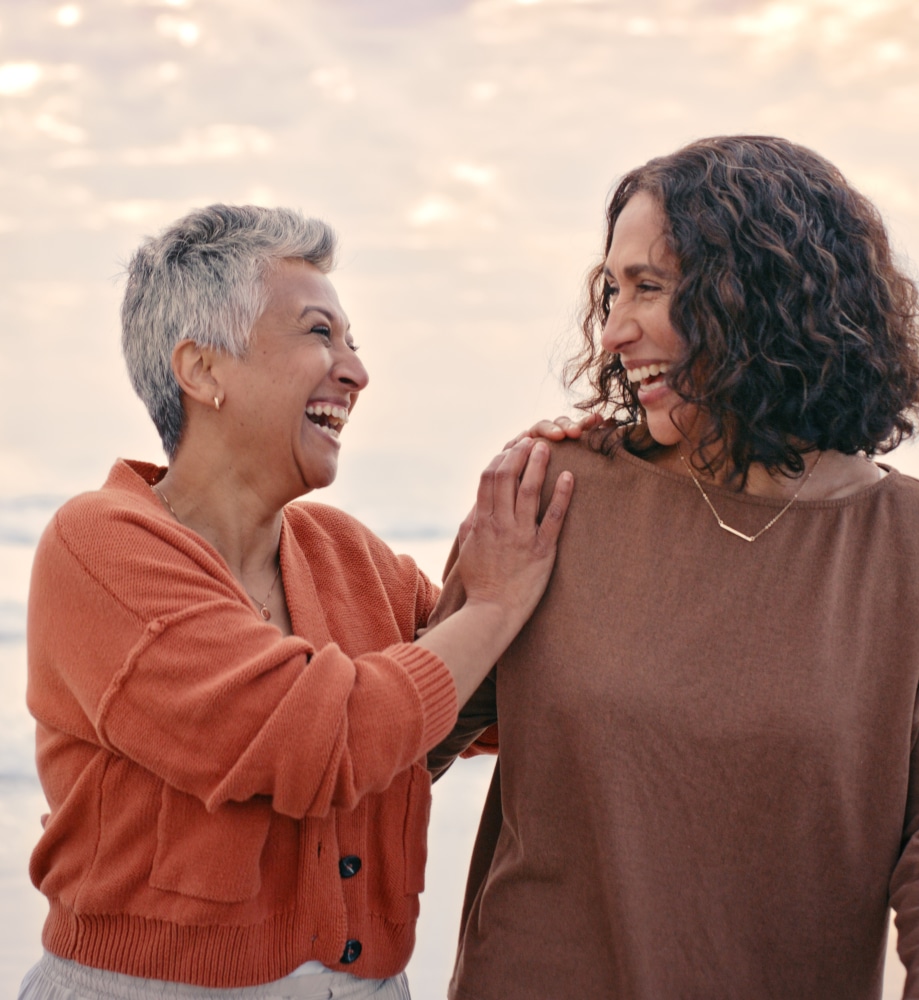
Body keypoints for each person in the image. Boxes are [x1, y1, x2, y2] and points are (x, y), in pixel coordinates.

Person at [428, 135, 919, 999]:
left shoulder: (914, 541)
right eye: (612, 289)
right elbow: (409, 743)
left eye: (649, 289)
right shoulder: (558, 491)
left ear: (760, 297)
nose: (615, 330)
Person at [18, 204, 575, 999]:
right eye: (320, 334)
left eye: (353, 342)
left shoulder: (345, 552)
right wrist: (489, 606)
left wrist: (567, 489)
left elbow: (488, 694)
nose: (355, 370)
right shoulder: (101, 546)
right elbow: (318, 740)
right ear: (203, 370)